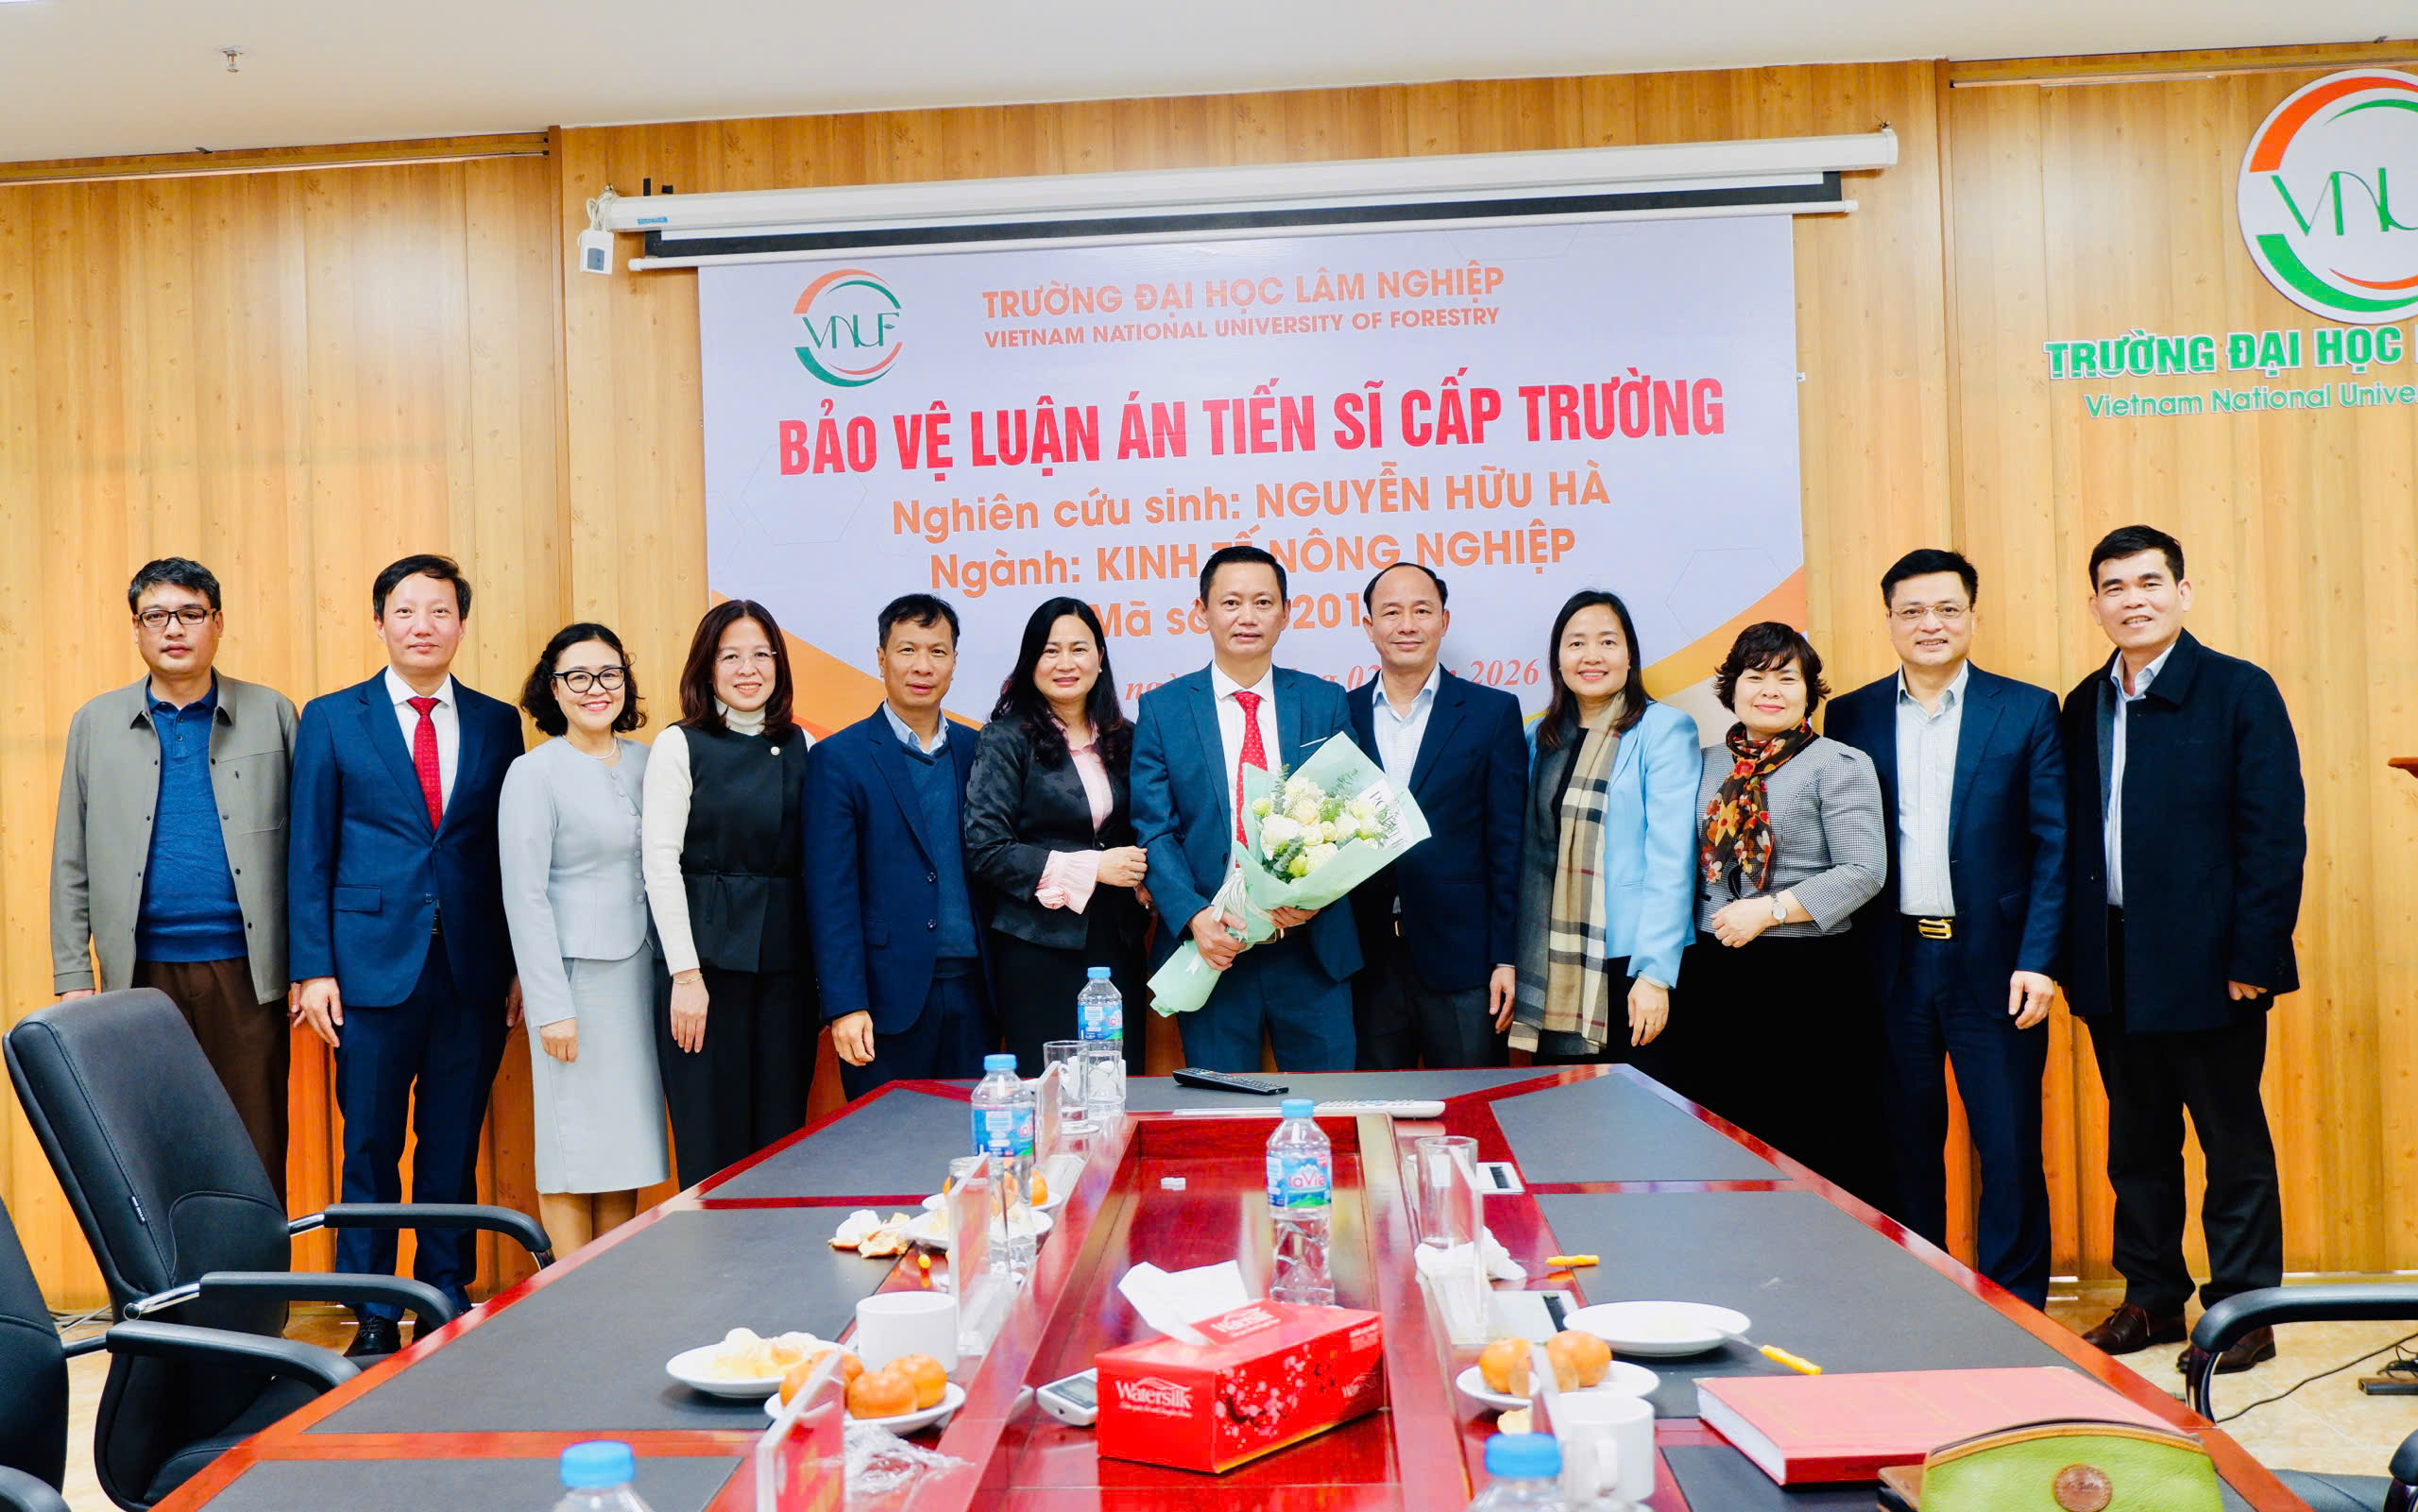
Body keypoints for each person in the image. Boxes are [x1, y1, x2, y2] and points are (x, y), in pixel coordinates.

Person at [2059, 525, 2305, 1376]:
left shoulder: (2239, 690)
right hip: (2113, 957)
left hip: (2214, 965)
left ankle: (2245, 1311)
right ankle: (2153, 1296)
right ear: (2095, 604)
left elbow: (2274, 834)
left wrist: (2254, 956)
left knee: (2231, 1143)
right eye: (2115, 586)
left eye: (2149, 582)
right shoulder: (2084, 702)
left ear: (2182, 592)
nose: (2133, 599)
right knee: (2137, 1144)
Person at [288, 554, 520, 1358]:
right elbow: (308, 851)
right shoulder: (332, 717)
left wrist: (517, 966)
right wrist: (313, 968)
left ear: (462, 623)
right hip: (366, 970)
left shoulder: (496, 722)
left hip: (471, 969)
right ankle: (374, 1306)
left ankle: (444, 1291)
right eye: (407, 610)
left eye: (440, 610)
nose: (424, 625)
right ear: (380, 621)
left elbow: (505, 854)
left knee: (452, 1145)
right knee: (370, 1145)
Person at [1825, 550, 2067, 1309]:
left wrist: (2039, 958)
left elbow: (2054, 844)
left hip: (1995, 963)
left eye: (1946, 608)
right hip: (1891, 962)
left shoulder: (2027, 709)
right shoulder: (1852, 714)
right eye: (1912, 611)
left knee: (2009, 1144)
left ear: (1972, 616)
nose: (1930, 624)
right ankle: (1921, 1298)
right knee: (1904, 1146)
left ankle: (2017, 1309)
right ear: (1889, 620)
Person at [51, 558, 298, 1196]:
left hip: (248, 973)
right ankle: (169, 1268)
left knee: (255, 1144)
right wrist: (73, 977)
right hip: (138, 975)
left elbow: (308, 851)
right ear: (136, 628)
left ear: (218, 623)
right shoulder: (95, 722)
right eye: (155, 615)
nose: (173, 629)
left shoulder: (272, 712)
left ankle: (253, 1267)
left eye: (190, 613)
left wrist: (309, 964)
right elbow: (71, 856)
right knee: (150, 1147)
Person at [1682, 621, 1892, 1211]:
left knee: (1811, 1139)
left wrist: (1768, 911)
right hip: (1713, 974)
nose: (1770, 690)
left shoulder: (1839, 763)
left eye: (1787, 678)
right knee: (1723, 1141)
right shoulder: (1701, 764)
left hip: (1809, 977)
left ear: (1809, 692)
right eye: (1756, 676)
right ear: (1732, 686)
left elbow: (1863, 871)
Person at [1131, 545, 1360, 1072]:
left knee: (1331, 1105)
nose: (1247, 616)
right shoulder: (1163, 710)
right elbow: (1154, 829)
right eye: (1231, 602)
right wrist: (1194, 916)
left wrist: (1316, 897)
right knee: (1222, 1109)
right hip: (1213, 947)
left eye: (1263, 602)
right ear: (1202, 612)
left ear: (1286, 612)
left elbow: (1351, 816)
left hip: (1311, 948)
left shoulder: (1324, 702)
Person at [499, 623, 669, 1253]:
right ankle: (570, 1294)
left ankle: (618, 1291)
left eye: (609, 674)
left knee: (625, 1147)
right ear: (553, 688)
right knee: (571, 1150)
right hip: (574, 984)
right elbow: (525, 896)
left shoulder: (652, 760)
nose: (596, 688)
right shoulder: (533, 772)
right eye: (578, 676)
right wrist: (551, 1007)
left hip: (640, 979)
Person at [641, 601, 816, 1188]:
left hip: (786, 973)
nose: (748, 669)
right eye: (731, 656)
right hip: (704, 972)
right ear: (707, 667)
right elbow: (660, 862)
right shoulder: (680, 743)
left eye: (761, 654)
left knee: (781, 1145)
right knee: (711, 1149)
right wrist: (685, 976)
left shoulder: (803, 743)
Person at [806, 594, 994, 1099]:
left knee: (976, 1137)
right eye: (907, 650)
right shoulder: (839, 758)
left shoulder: (979, 750)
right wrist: (845, 1004)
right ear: (881, 657)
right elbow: (830, 894)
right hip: (884, 1002)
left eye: (937, 651)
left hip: (976, 993)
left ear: (954, 661)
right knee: (888, 1142)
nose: (922, 666)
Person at [1507, 589, 1700, 1078]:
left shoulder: (1664, 730)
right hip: (1553, 963)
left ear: (1629, 656)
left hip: (1631, 960)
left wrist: (1655, 974)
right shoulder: (1538, 738)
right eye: (1576, 643)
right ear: (1558, 659)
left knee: (1641, 1113)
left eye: (1607, 642)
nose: (1591, 656)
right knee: (1564, 1110)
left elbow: (1672, 858)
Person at [1343, 564, 1526, 1070]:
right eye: (1391, 613)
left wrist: (1506, 957)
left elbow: (1508, 844)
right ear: (1369, 626)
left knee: (1473, 1104)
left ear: (1444, 621)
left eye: (1421, 611)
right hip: (1365, 962)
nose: (1407, 625)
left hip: (1464, 963)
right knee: (1375, 1108)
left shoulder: (1492, 713)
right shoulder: (1340, 715)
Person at [962, 597, 1150, 1078]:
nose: (1066, 663)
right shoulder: (1005, 739)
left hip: (1118, 944)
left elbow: (1148, 826)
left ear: (1100, 658)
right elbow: (986, 849)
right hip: (1038, 948)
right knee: (1051, 1090)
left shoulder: (1125, 737)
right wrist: (1094, 867)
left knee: (1117, 1086)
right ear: (1031, 662)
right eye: (1050, 651)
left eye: (1079, 649)